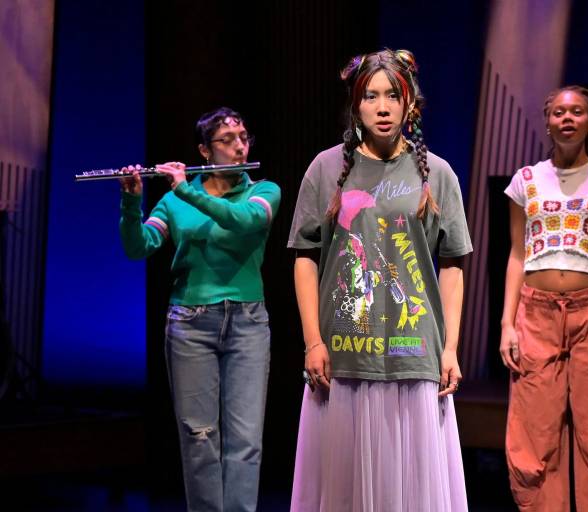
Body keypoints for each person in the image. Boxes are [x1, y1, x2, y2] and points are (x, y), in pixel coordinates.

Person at [287, 49, 472, 511]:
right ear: (356, 104)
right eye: (371, 96)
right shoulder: (326, 169)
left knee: (409, 490)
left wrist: (450, 347)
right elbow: (305, 257)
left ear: (411, 104)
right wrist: (313, 341)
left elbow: (452, 264)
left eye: (393, 95)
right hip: (345, 352)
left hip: (414, 352)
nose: (383, 107)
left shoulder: (438, 174)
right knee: (344, 488)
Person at [118, 107, 280, 512]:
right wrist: (131, 202)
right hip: (190, 324)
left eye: (244, 137)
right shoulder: (174, 201)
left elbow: (243, 221)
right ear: (205, 151)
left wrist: (186, 191)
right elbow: (138, 247)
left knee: (245, 441)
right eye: (228, 140)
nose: (240, 147)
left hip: (247, 323)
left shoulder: (263, 191)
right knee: (199, 437)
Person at [499, 86, 588, 511]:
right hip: (536, 312)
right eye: (559, 112)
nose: (567, 118)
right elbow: (517, 254)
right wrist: (507, 324)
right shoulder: (525, 181)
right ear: (547, 122)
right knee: (536, 427)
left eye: (577, 112)